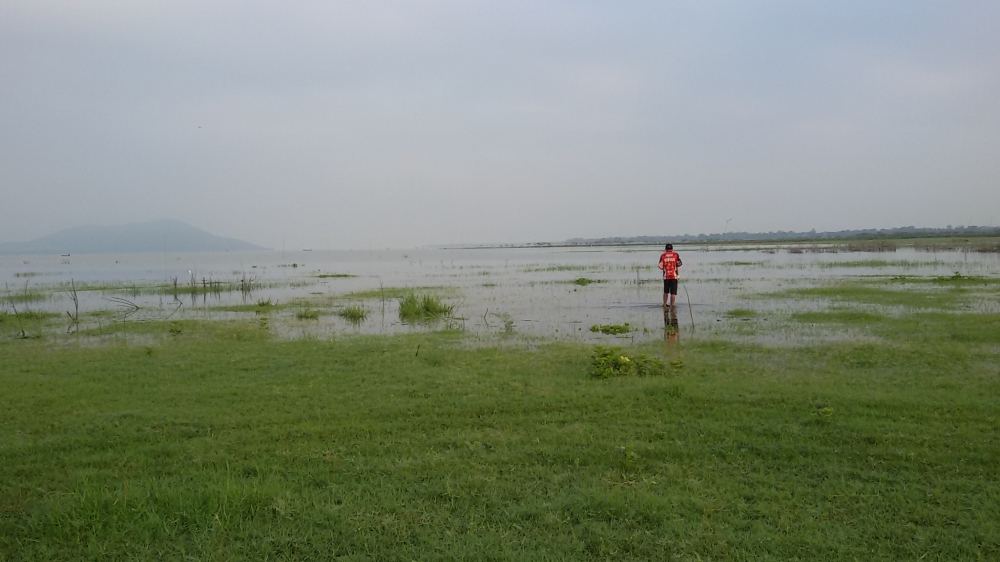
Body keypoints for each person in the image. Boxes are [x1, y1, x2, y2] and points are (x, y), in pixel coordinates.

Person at [657, 243, 682, 308]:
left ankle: (664, 305)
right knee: (673, 293)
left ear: (665, 249)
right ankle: (672, 305)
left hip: (666, 276)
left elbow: (660, 266)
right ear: (672, 249)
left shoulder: (663, 255)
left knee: (666, 292)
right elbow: (679, 264)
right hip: (674, 276)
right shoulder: (676, 255)